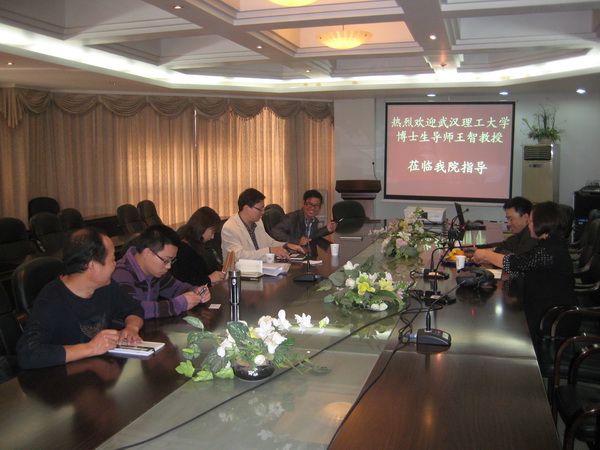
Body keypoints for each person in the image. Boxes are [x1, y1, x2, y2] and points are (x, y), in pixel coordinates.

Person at [17, 228, 145, 370]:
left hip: (100, 371)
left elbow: (134, 309)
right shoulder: (51, 299)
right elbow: (28, 354)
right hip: (63, 377)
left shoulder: (106, 287)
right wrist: (90, 348)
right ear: (92, 265)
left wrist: (131, 328)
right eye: (112, 259)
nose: (115, 265)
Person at [474, 201, 576, 339]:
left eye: (531, 221)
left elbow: (514, 262)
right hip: (544, 309)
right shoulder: (548, 244)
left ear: (543, 222)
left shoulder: (549, 250)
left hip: (553, 318)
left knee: (502, 328)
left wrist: (485, 254)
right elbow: (525, 264)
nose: (528, 224)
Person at [112, 224, 210, 319]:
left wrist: (196, 291)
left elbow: (178, 288)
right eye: (166, 260)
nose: (168, 266)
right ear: (147, 253)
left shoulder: (155, 271)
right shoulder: (120, 274)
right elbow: (134, 309)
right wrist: (178, 305)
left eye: (171, 261)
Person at [221, 188, 305, 260]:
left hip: (260, 268)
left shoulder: (258, 222)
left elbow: (270, 243)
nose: (262, 212)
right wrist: (270, 251)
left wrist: (286, 246)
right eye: (259, 209)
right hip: (239, 271)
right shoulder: (230, 228)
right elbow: (238, 256)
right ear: (246, 208)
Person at [170, 207, 226, 287]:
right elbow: (183, 284)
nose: (212, 237)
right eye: (212, 232)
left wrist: (212, 279)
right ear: (202, 227)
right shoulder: (183, 251)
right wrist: (209, 280)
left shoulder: (195, 246)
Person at [271, 189, 337, 246]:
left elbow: (312, 236)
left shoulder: (314, 220)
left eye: (317, 205)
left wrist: (327, 229)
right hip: (290, 252)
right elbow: (275, 232)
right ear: (303, 203)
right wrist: (297, 241)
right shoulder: (292, 217)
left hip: (304, 251)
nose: (313, 208)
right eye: (310, 204)